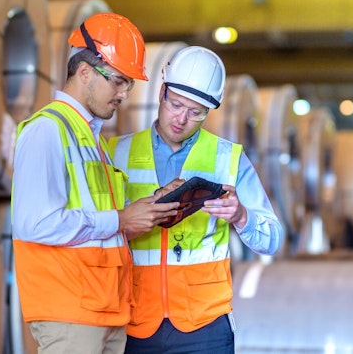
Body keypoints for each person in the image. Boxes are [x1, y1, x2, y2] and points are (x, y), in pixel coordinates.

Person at [11, 12, 181, 353]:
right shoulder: (48, 130)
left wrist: (148, 210)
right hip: (70, 312)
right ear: (85, 72)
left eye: (128, 84)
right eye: (118, 81)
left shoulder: (92, 140)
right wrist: (121, 219)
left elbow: (100, 231)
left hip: (103, 310)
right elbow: (35, 223)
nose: (123, 94)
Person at [108, 46, 283, 353]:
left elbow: (272, 240)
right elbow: (96, 233)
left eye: (196, 112)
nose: (182, 119)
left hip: (205, 326)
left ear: (209, 110)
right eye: (176, 104)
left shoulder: (229, 158)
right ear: (161, 92)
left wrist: (242, 217)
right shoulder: (116, 152)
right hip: (134, 322)